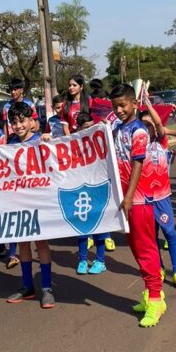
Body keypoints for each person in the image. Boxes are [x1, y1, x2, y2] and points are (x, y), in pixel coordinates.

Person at [110, 83, 166, 327]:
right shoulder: (117, 128)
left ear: (134, 104)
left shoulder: (139, 131)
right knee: (134, 246)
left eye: (123, 105)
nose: (119, 110)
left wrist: (130, 196)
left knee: (146, 247)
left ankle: (156, 299)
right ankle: (150, 292)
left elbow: (138, 164)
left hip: (139, 199)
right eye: (116, 106)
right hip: (126, 199)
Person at [5, 101, 55, 308]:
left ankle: (46, 288)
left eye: (22, 121)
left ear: (31, 121)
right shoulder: (9, 144)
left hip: (39, 200)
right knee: (23, 243)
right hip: (18, 201)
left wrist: (50, 141)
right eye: (14, 122)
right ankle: (27, 286)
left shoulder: (41, 141)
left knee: (41, 244)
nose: (18, 126)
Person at [139, 102, 176, 290]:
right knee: (151, 238)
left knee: (170, 234)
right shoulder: (135, 146)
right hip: (144, 200)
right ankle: (158, 268)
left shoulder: (161, 141)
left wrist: (148, 105)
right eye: (143, 125)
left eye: (150, 124)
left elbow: (159, 125)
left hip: (162, 198)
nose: (147, 128)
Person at [74, 111, 108, 274]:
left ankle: (100, 261)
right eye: (86, 128)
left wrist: (106, 127)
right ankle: (82, 260)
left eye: (91, 126)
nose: (89, 130)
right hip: (80, 190)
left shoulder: (98, 141)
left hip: (97, 189)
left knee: (99, 228)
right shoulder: (71, 144)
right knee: (82, 229)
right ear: (78, 128)